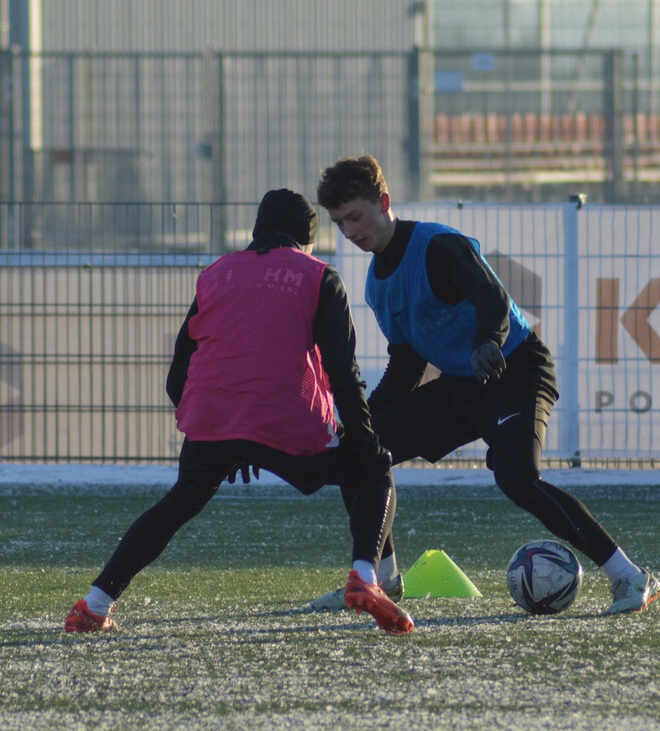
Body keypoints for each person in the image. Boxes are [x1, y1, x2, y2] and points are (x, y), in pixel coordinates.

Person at [306, 155, 660, 616]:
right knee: (362, 454)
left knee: (517, 479)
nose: (349, 231)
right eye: (339, 222)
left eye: (355, 216)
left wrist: (486, 342)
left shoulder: (438, 245)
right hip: (461, 384)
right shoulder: (377, 285)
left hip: (516, 371)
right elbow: (407, 363)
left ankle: (630, 577)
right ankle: (381, 582)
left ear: (384, 202)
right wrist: (363, 421)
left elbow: (491, 298)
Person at [64, 188, 414, 635]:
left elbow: (178, 375)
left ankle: (94, 604)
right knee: (373, 469)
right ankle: (366, 579)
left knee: (179, 503)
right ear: (307, 238)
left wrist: (227, 434)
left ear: (256, 232)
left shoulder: (216, 274)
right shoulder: (318, 275)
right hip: (288, 422)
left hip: (212, 421)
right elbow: (343, 375)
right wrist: (365, 441)